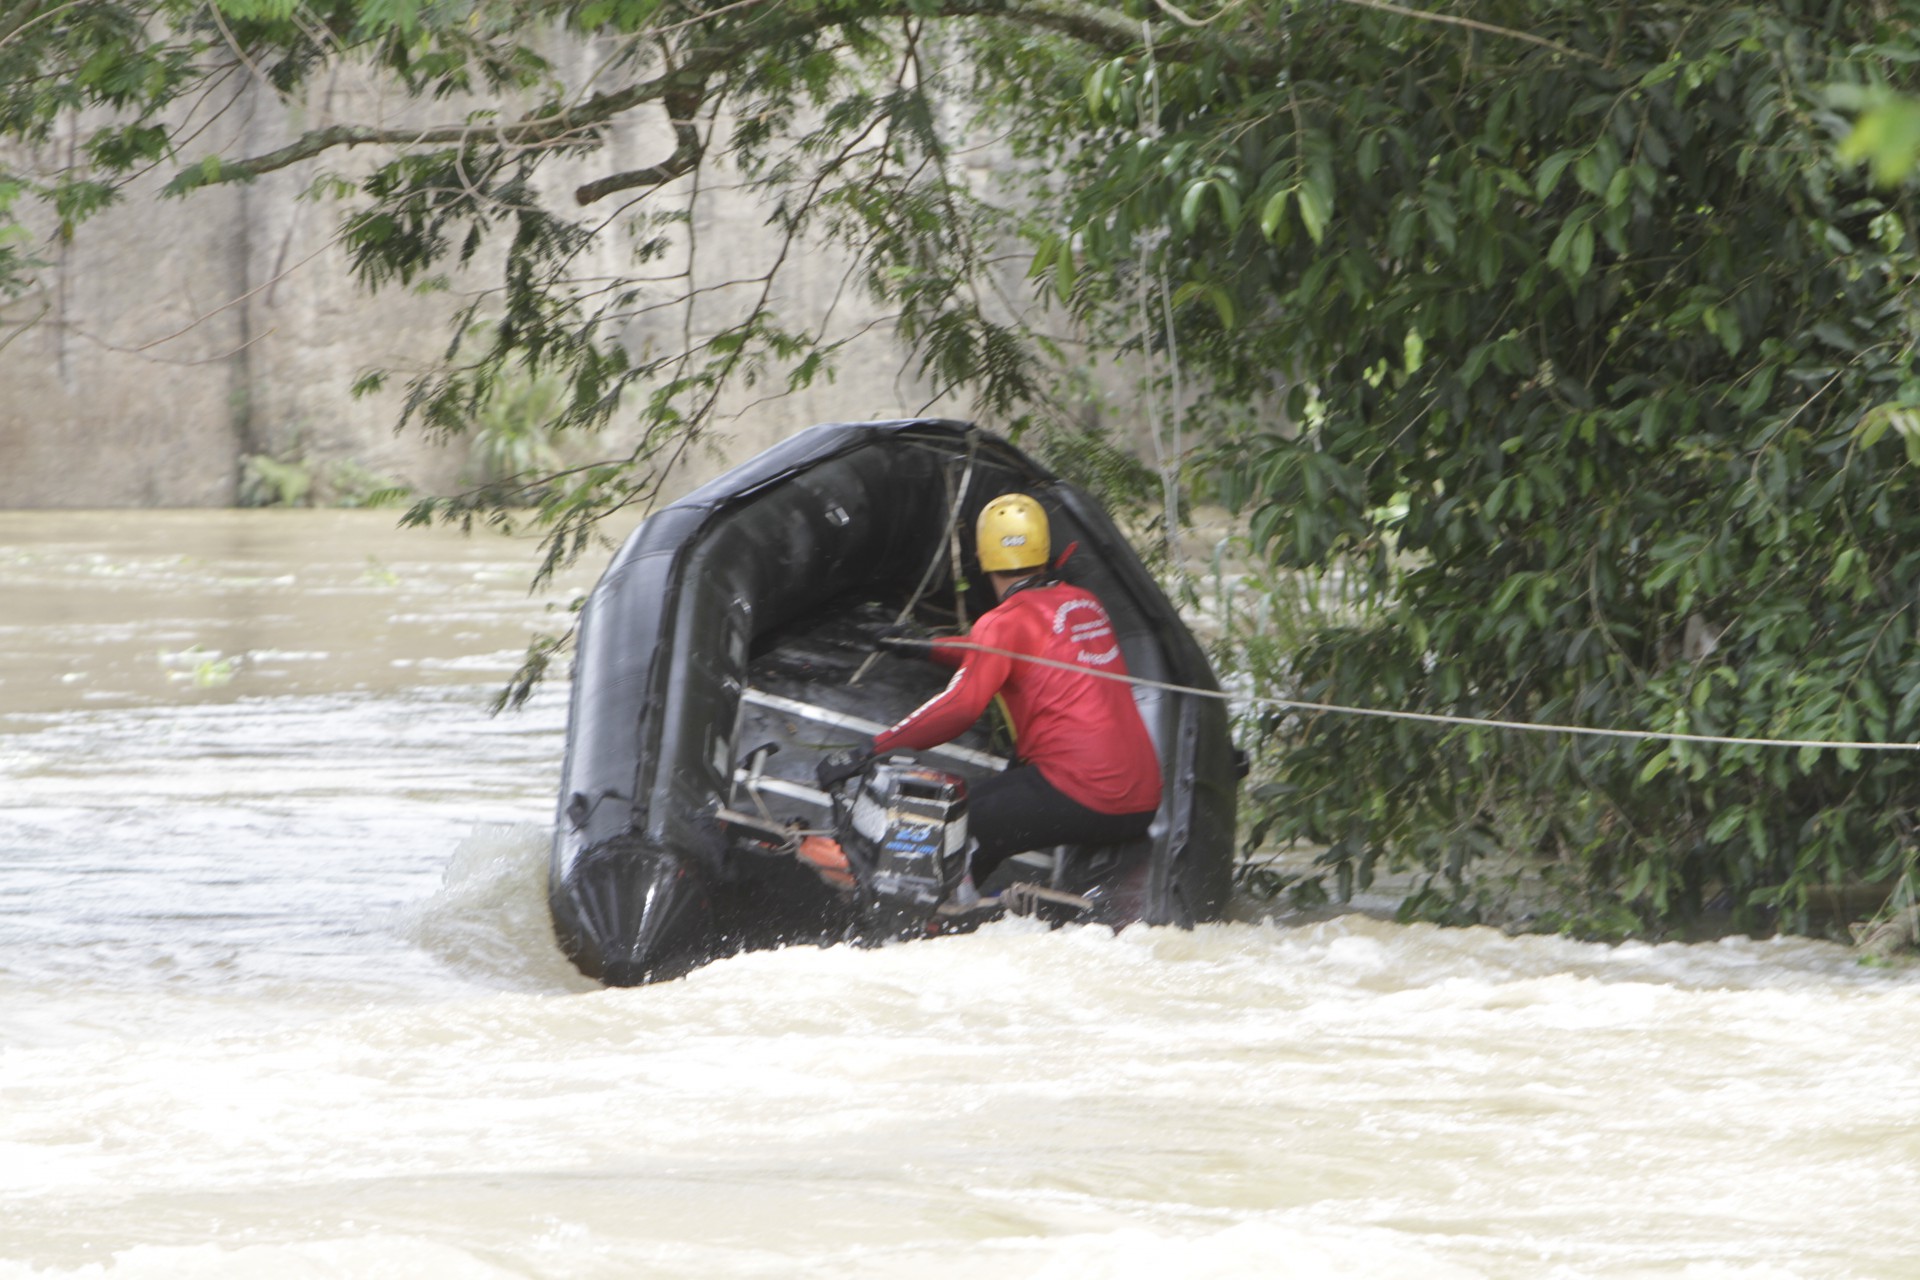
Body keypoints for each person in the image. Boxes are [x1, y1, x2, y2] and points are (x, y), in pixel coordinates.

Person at [817, 493, 1162, 888]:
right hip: (1143, 801)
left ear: (983, 556)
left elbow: (961, 708)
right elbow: (1011, 650)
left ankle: (935, 921)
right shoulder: (1084, 603)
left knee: (946, 824)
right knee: (1002, 800)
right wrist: (924, 647)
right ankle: (983, 896)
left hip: (1084, 795)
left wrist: (871, 750)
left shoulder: (1003, 621)